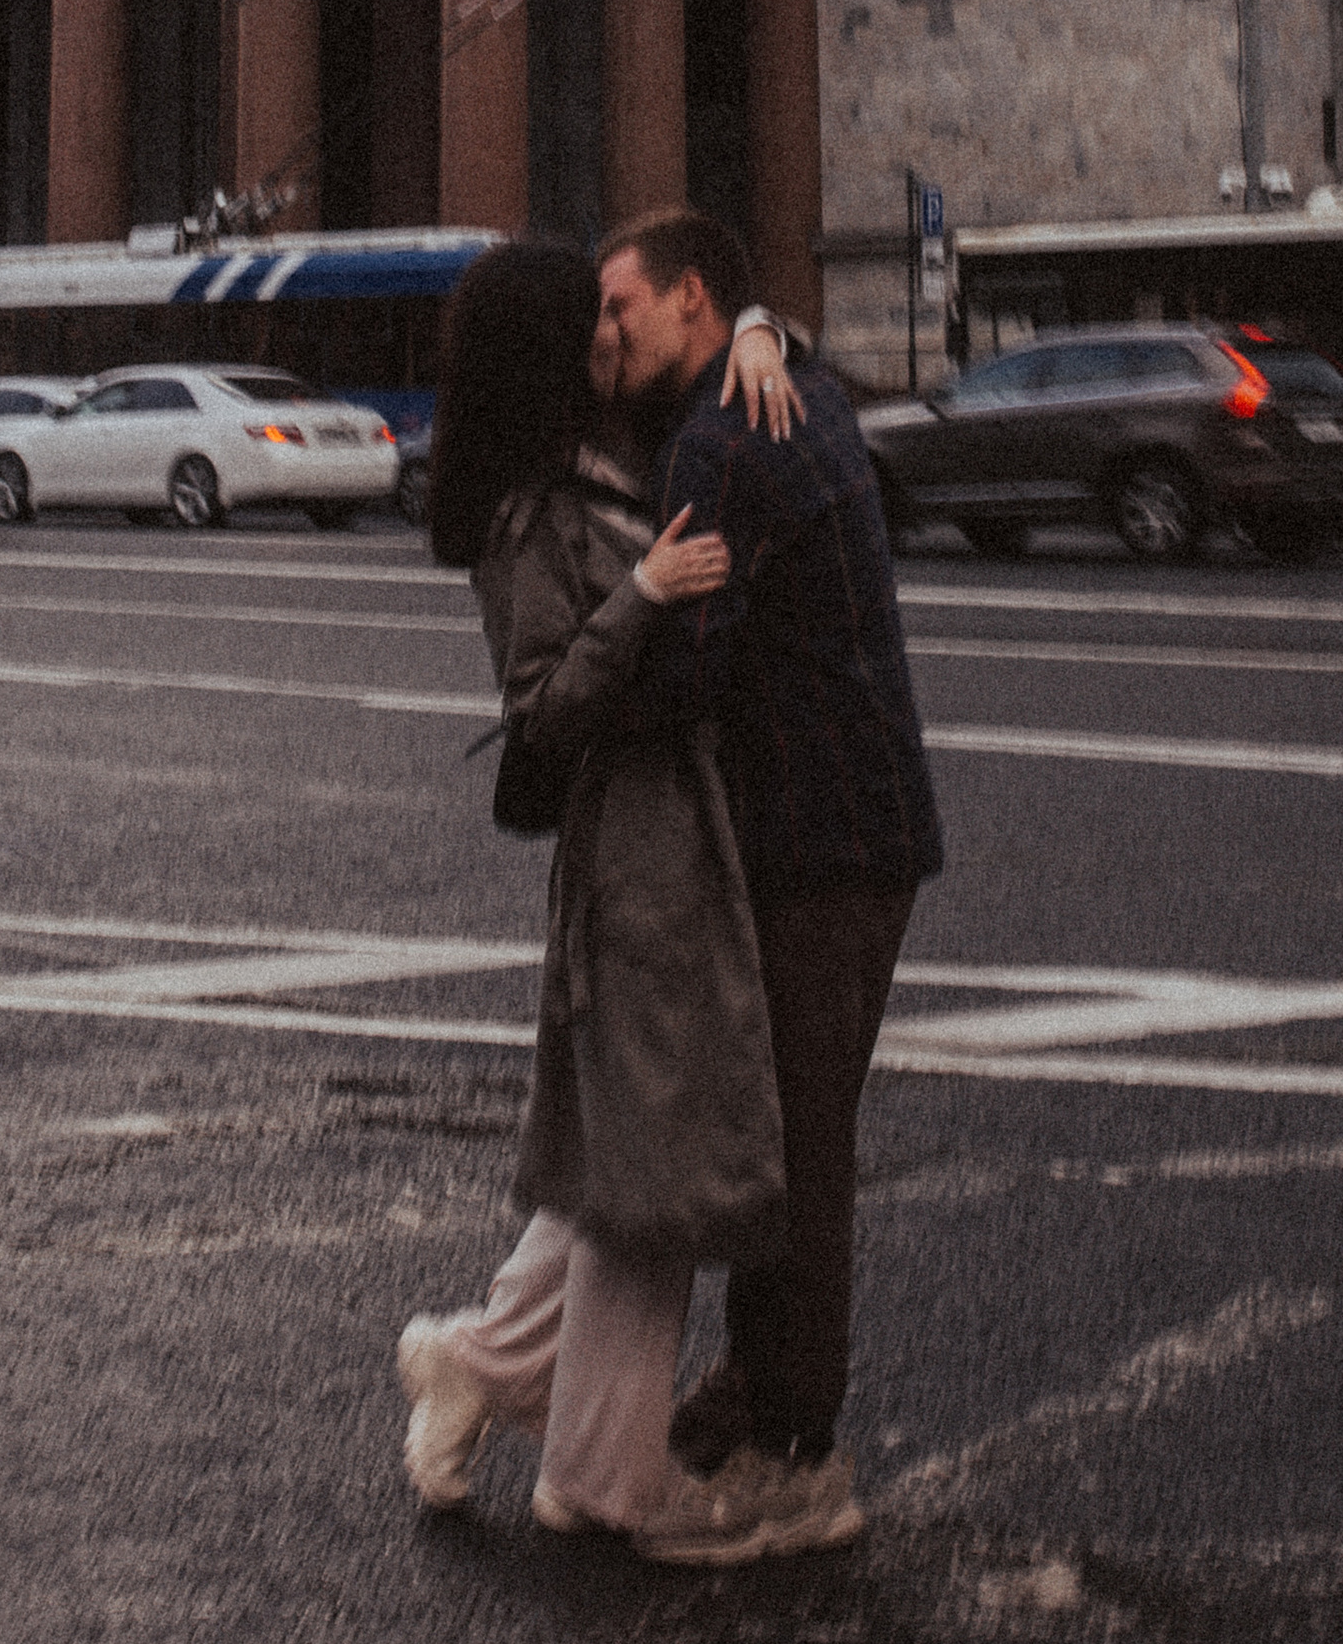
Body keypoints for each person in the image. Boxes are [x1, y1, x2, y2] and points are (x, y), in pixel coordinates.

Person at [395, 241, 804, 1564]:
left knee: (627, 1143)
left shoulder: (604, 453)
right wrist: (641, 596)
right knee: (654, 1172)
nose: (612, 330)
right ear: (547, 350)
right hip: (634, 857)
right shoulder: (528, 516)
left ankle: (482, 1363)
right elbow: (540, 710)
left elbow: (711, 315)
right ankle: (605, 1476)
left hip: (681, 832)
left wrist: (760, 327)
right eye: (592, 316)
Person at [595, 204, 943, 1556]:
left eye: (620, 308)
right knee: (798, 1129)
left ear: (689, 298)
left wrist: (580, 685)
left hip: (811, 840)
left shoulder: (719, 442)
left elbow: (688, 671)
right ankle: (761, 1392)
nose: (605, 332)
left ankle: (796, 1459)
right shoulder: (797, 388)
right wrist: (762, 323)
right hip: (865, 828)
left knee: (793, 1150)